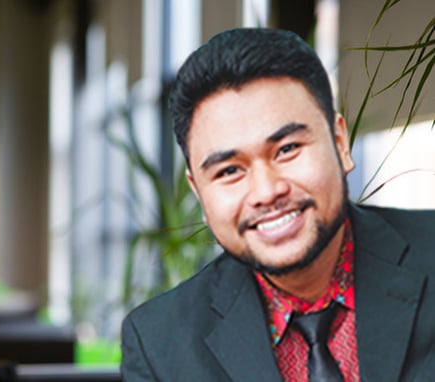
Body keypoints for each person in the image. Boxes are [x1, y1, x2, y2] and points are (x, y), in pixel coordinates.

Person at [120, 27, 435, 382]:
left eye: (287, 150)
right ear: (199, 192)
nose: (267, 191)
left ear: (340, 144)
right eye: (229, 171)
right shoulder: (160, 344)